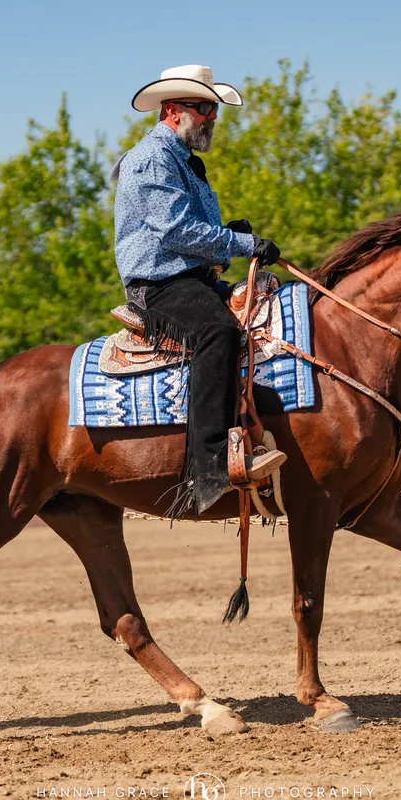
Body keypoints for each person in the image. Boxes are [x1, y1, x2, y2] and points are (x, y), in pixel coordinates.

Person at [112, 64, 287, 515]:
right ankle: (210, 466)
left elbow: (192, 232)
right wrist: (244, 243)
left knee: (271, 301)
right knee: (219, 332)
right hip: (160, 284)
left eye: (214, 109)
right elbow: (176, 231)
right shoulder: (151, 158)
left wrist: (229, 232)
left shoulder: (185, 161)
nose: (213, 118)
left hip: (190, 278)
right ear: (173, 110)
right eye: (204, 108)